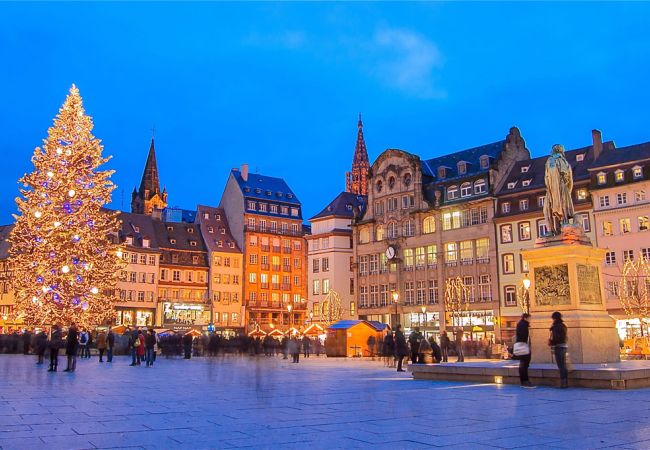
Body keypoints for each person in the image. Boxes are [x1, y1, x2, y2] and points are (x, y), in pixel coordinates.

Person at [549, 311, 569, 388]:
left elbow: (556, 338)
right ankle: (565, 381)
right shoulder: (563, 325)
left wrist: (551, 342)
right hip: (564, 346)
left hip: (559, 346)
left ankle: (563, 382)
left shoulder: (556, 326)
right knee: (563, 364)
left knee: (561, 365)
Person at [515, 313, 534, 388]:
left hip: (523, 345)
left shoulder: (522, 324)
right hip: (523, 346)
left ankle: (524, 381)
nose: (530, 320)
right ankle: (525, 381)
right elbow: (524, 336)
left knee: (523, 364)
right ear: (525, 318)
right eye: (529, 318)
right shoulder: (523, 325)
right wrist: (526, 345)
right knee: (524, 364)